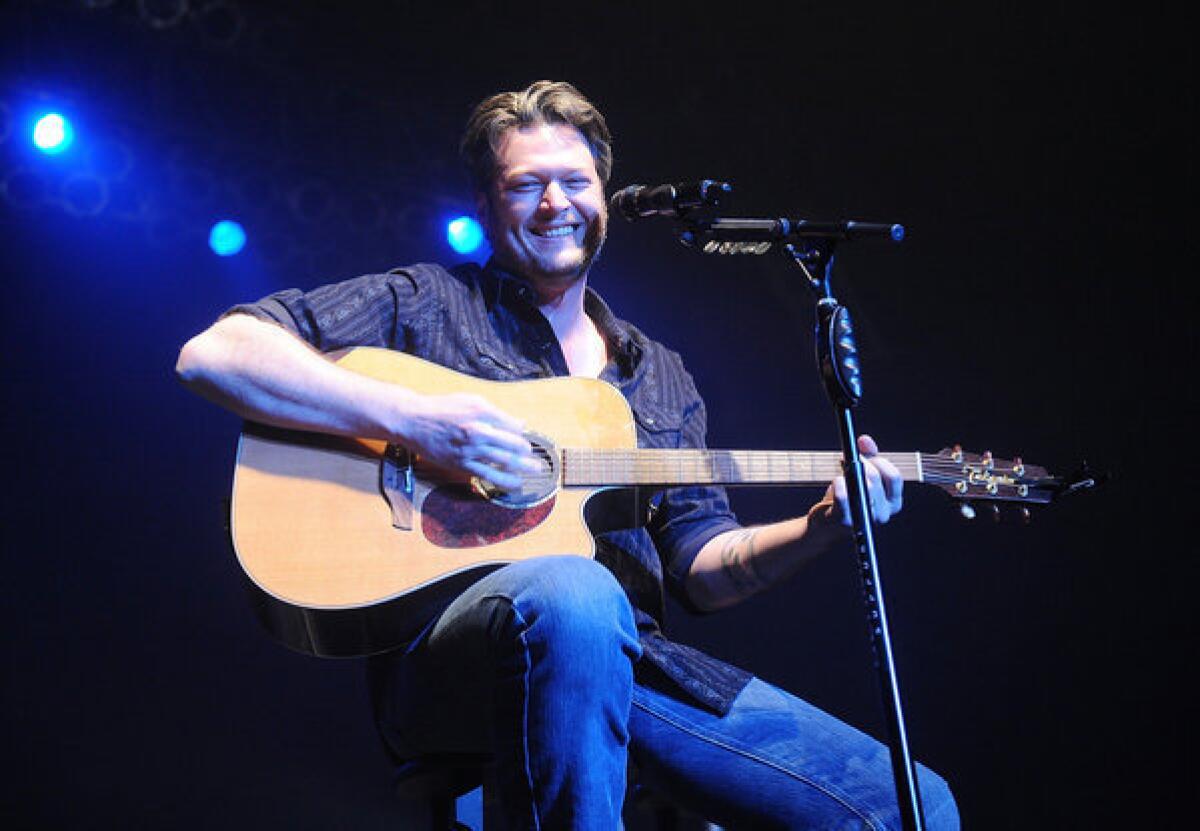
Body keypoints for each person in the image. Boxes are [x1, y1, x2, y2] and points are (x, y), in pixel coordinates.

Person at [176, 80, 958, 830]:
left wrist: (823, 524)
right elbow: (217, 353)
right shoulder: (425, 302)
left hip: (633, 666)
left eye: (574, 181)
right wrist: (416, 420)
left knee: (913, 805)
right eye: (526, 186)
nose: (555, 204)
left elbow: (703, 567)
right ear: (485, 205)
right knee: (574, 591)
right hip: (454, 662)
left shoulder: (658, 373)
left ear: (605, 197)